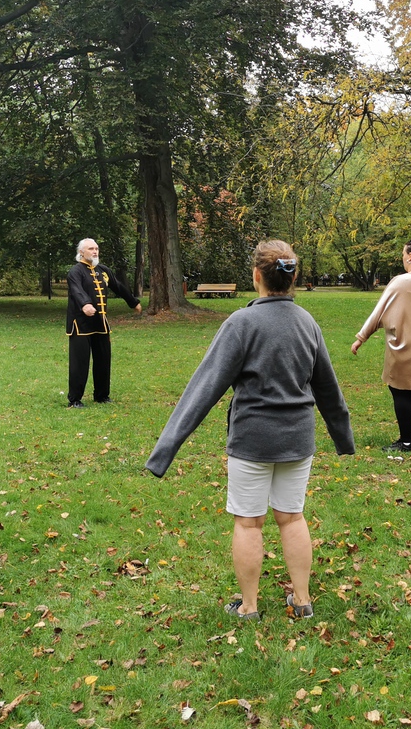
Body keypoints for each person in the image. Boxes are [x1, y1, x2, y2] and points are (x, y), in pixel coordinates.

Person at [146, 240, 355, 622]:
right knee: (292, 517)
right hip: (298, 440)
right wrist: (343, 436)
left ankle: (250, 607)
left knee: (249, 522)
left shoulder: (241, 323)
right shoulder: (307, 322)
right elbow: (328, 387)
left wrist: (165, 449)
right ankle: (302, 601)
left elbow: (204, 387)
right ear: (292, 280)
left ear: (257, 276)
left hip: (252, 441)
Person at [351, 236, 411, 452]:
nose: (403, 258)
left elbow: (379, 313)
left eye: (404, 255)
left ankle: (405, 443)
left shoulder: (399, 282)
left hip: (404, 343)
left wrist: (361, 337)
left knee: (400, 391)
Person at [66, 238, 142, 406]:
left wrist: (133, 302)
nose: (95, 251)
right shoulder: (75, 272)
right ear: (81, 252)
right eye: (91, 249)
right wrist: (85, 303)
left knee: (103, 360)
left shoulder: (103, 270)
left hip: (100, 324)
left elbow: (119, 287)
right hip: (80, 325)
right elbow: (76, 290)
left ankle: (101, 395)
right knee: (80, 363)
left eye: (96, 248)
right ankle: (75, 399)